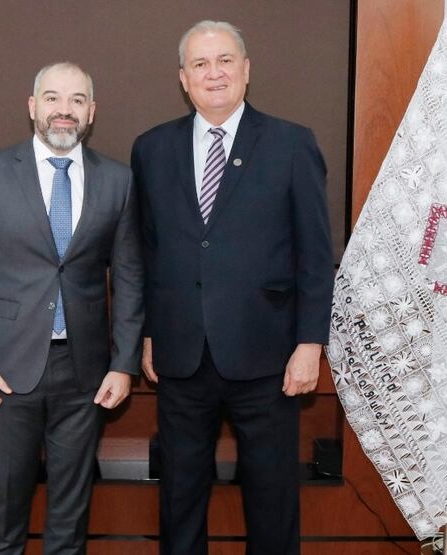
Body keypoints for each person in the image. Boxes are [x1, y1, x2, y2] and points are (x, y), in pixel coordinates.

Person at [131, 21, 334, 555]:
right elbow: (147, 253)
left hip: (268, 356)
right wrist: (149, 334)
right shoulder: (151, 149)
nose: (213, 73)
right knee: (178, 496)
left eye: (225, 60)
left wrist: (310, 344)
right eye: (200, 64)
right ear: (183, 78)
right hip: (180, 355)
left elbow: (316, 256)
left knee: (271, 499)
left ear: (246, 69)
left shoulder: (292, 143)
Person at [0, 62, 143, 555]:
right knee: (8, 508)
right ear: (32, 107)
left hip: (86, 375)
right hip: (6, 370)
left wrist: (123, 363)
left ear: (91, 112)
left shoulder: (118, 180)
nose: (64, 110)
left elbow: (131, 277)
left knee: (70, 517)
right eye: (52, 98)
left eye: (77, 100)